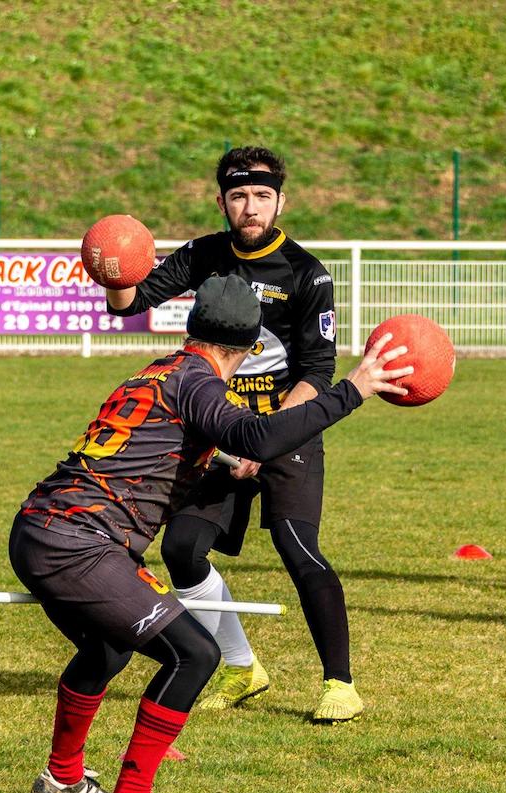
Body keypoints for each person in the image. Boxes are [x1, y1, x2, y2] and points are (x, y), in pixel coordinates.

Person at [12, 275, 409, 793]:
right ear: (249, 349)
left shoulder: (158, 370)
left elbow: (149, 442)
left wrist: (219, 460)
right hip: (82, 542)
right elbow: (258, 434)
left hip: (39, 527)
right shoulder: (200, 383)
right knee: (194, 655)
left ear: (192, 327)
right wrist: (354, 389)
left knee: (105, 648)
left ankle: (62, 779)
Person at [106, 146, 362, 722]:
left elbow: (318, 373)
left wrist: (266, 434)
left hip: (284, 430)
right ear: (221, 200)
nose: (251, 208)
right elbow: (131, 301)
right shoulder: (204, 254)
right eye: (240, 196)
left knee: (299, 549)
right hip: (215, 435)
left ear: (281, 201)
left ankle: (339, 683)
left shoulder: (306, 273)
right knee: (181, 548)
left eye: (263, 197)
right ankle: (242, 667)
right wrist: (112, 272)